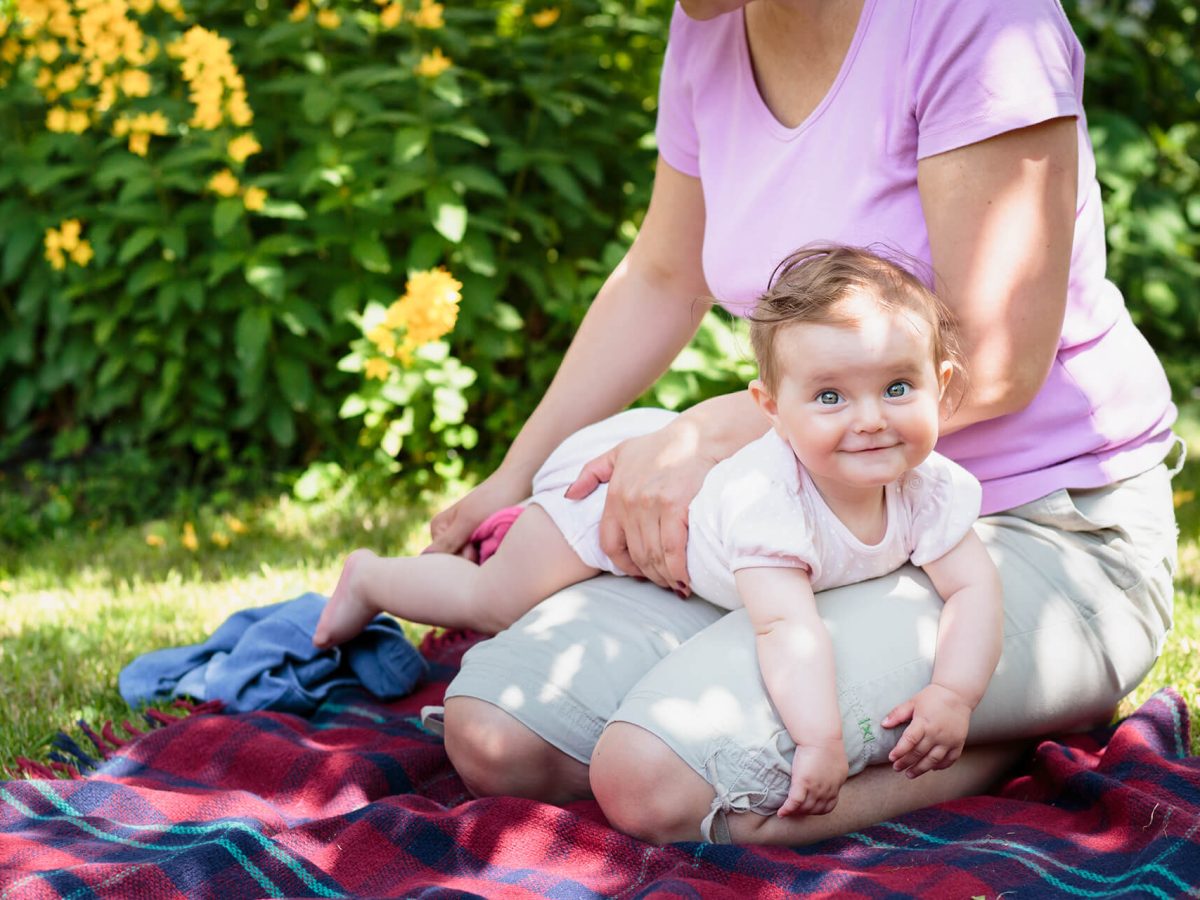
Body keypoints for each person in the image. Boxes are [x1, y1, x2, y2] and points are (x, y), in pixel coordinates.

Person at [420, 0, 1182, 845]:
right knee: (498, 732)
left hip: (1038, 528)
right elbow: (663, 276)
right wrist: (514, 475)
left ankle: (996, 733)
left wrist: (713, 433)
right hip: (819, 520)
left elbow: (997, 359)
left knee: (653, 783)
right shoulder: (708, 22)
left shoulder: (975, 16)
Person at [316, 246, 1005, 819]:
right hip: (616, 502)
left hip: (696, 544)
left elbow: (972, 588)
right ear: (771, 409)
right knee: (493, 598)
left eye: (897, 388)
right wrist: (820, 740)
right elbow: (786, 631)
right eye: (830, 396)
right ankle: (373, 577)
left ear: (942, 384)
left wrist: (954, 694)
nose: (871, 420)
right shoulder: (772, 503)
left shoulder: (929, 486)